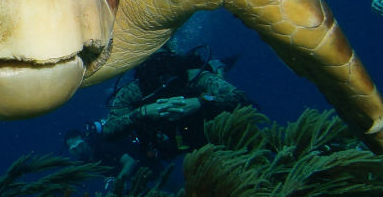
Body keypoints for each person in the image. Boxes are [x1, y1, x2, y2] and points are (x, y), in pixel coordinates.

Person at [65, 45, 253, 189]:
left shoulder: (192, 76)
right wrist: (144, 112)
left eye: (163, 56)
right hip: (164, 147)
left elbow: (240, 98)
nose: (159, 66)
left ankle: (219, 69)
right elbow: (109, 129)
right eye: (151, 58)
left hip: (207, 137)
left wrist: (200, 101)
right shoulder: (134, 91)